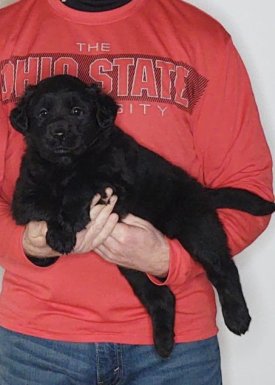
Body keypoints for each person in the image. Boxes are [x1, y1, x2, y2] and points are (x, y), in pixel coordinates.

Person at [0, 0, 273, 384]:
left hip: (179, 351)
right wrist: (26, 245)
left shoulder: (201, 37)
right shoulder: (5, 33)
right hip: (37, 344)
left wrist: (170, 258)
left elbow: (249, 184)